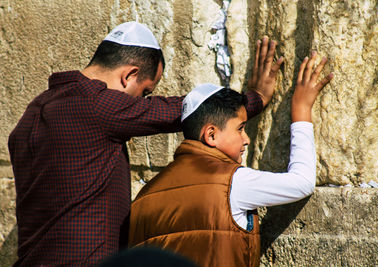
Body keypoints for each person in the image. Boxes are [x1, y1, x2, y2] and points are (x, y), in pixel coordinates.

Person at [7, 21, 280, 266]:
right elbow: (184, 111)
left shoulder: (33, 113)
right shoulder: (97, 104)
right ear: (129, 75)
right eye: (145, 92)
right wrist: (251, 100)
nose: (142, 102)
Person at [128, 52, 333, 266]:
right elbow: (302, 182)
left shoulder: (144, 196)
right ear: (211, 135)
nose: (246, 140)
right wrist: (301, 110)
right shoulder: (232, 183)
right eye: (241, 129)